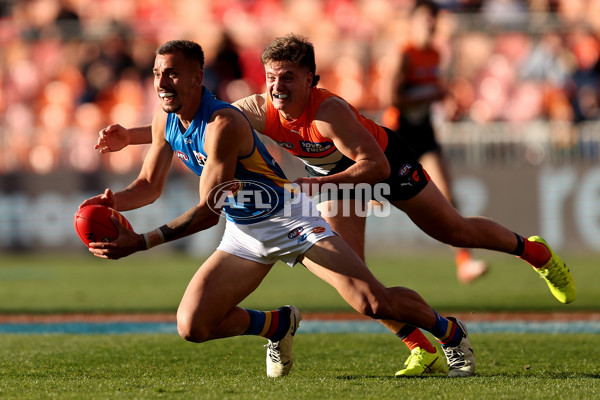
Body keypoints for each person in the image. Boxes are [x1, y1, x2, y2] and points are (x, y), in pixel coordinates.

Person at [94, 35, 576, 377]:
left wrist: (316, 187)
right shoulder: (256, 109)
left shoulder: (330, 113)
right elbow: (188, 119)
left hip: (381, 163)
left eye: (288, 78)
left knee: (454, 232)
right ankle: (417, 347)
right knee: (365, 295)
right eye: (271, 78)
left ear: (312, 80)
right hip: (315, 188)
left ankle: (532, 253)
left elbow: (374, 167)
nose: (277, 87)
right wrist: (131, 137)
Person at [384, 0, 488, 284]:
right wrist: (432, 96)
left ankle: (464, 262)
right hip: (399, 131)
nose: (429, 24)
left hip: (424, 130)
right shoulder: (404, 53)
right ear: (413, 22)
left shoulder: (434, 54)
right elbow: (391, 98)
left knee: (448, 194)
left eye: (432, 19)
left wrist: (447, 99)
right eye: (424, 19)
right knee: (369, 197)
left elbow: (434, 91)